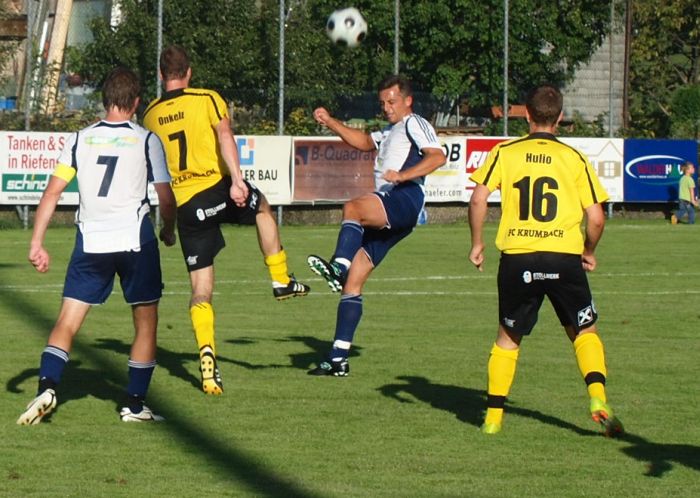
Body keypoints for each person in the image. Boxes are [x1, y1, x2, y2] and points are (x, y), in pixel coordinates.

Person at [143, 45, 309, 395]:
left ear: (161, 75)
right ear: (189, 72)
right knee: (262, 207)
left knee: (200, 291)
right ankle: (280, 279)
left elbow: (161, 180)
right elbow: (224, 135)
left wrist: (168, 228)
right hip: (217, 189)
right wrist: (237, 180)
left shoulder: (150, 115)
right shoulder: (207, 98)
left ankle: (207, 362)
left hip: (187, 208)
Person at [17, 67, 177, 425]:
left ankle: (47, 386)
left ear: (104, 100)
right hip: (135, 239)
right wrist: (169, 228)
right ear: (136, 102)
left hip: (91, 240)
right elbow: (166, 197)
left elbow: (52, 193)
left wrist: (37, 242)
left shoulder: (79, 139)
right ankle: (133, 405)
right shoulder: (147, 139)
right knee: (146, 324)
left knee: (68, 320)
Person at [467, 84, 624, 437]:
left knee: (508, 338)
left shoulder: (504, 152)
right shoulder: (574, 158)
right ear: (561, 118)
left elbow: (478, 200)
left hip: (517, 259)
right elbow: (596, 217)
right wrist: (589, 251)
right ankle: (597, 398)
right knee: (584, 330)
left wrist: (477, 243)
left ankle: (493, 419)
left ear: (526, 113)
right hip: (563, 258)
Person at [306, 75, 446, 376]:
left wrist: (404, 176)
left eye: (392, 101)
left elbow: (437, 156)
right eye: (382, 102)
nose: (386, 107)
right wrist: (330, 121)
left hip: (404, 197)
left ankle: (337, 265)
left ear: (408, 100)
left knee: (353, 207)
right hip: (393, 203)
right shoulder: (389, 130)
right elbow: (364, 142)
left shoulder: (414, 123)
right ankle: (338, 359)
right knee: (353, 283)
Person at [671, 160, 697, 224]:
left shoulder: (682, 178)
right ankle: (691, 223)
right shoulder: (690, 179)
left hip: (681, 198)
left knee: (683, 210)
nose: (694, 169)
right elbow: (691, 190)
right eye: (692, 168)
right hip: (686, 200)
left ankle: (675, 216)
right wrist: (693, 200)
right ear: (687, 170)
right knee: (691, 211)